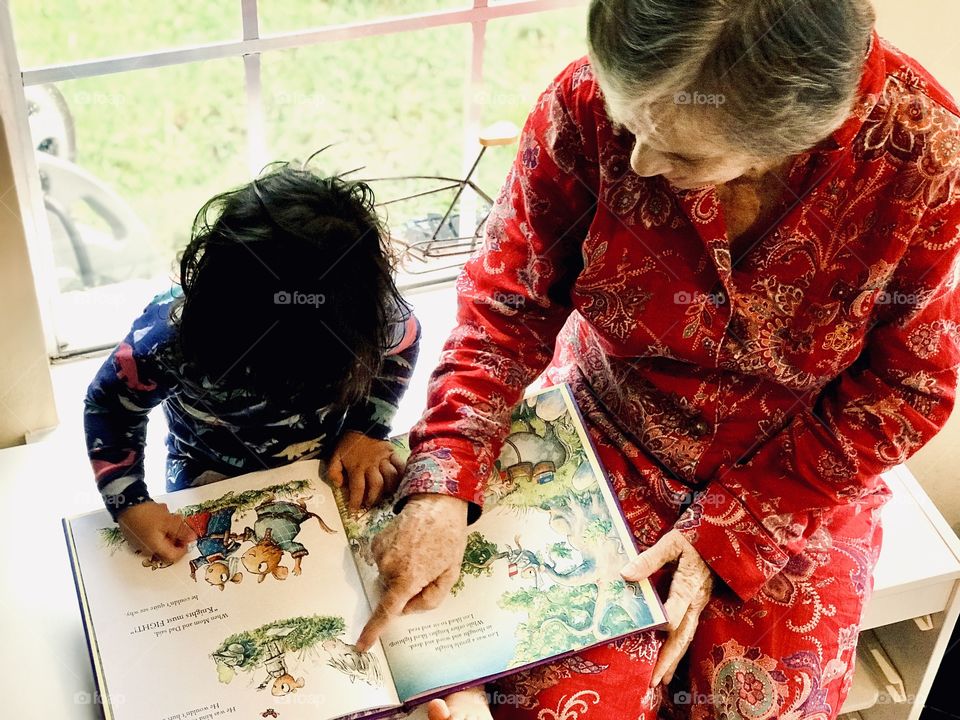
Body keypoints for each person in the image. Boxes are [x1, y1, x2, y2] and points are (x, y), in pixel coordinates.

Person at [359, 1, 960, 718]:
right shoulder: (584, 105)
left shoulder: (928, 160)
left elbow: (908, 388)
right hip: (602, 429)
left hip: (796, 471)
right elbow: (506, 305)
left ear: (796, 140)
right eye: (630, 124)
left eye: (682, 155)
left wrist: (738, 526)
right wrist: (445, 479)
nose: (639, 163)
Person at [84, 161, 421, 560]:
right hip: (204, 468)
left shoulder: (370, 315)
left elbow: (402, 345)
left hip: (327, 459)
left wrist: (367, 430)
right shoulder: (168, 341)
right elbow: (109, 406)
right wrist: (129, 503)